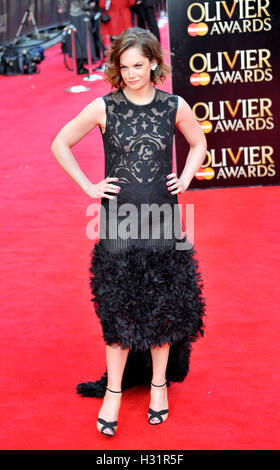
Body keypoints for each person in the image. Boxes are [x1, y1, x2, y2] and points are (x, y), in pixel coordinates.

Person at [51, 27, 207, 437]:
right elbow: (60, 143)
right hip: (118, 221)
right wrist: (89, 186)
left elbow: (198, 142)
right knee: (117, 310)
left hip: (163, 220)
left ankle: (159, 387)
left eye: (139, 65)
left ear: (154, 62)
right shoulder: (104, 107)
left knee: (162, 307)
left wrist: (187, 177)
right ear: (117, 68)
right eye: (125, 66)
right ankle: (114, 393)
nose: (132, 73)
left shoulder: (173, 105)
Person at [57, 0, 99, 74]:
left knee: (80, 41)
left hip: (78, 13)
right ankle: (80, 66)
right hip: (79, 14)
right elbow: (84, 5)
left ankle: (81, 64)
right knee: (79, 41)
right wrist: (92, 5)